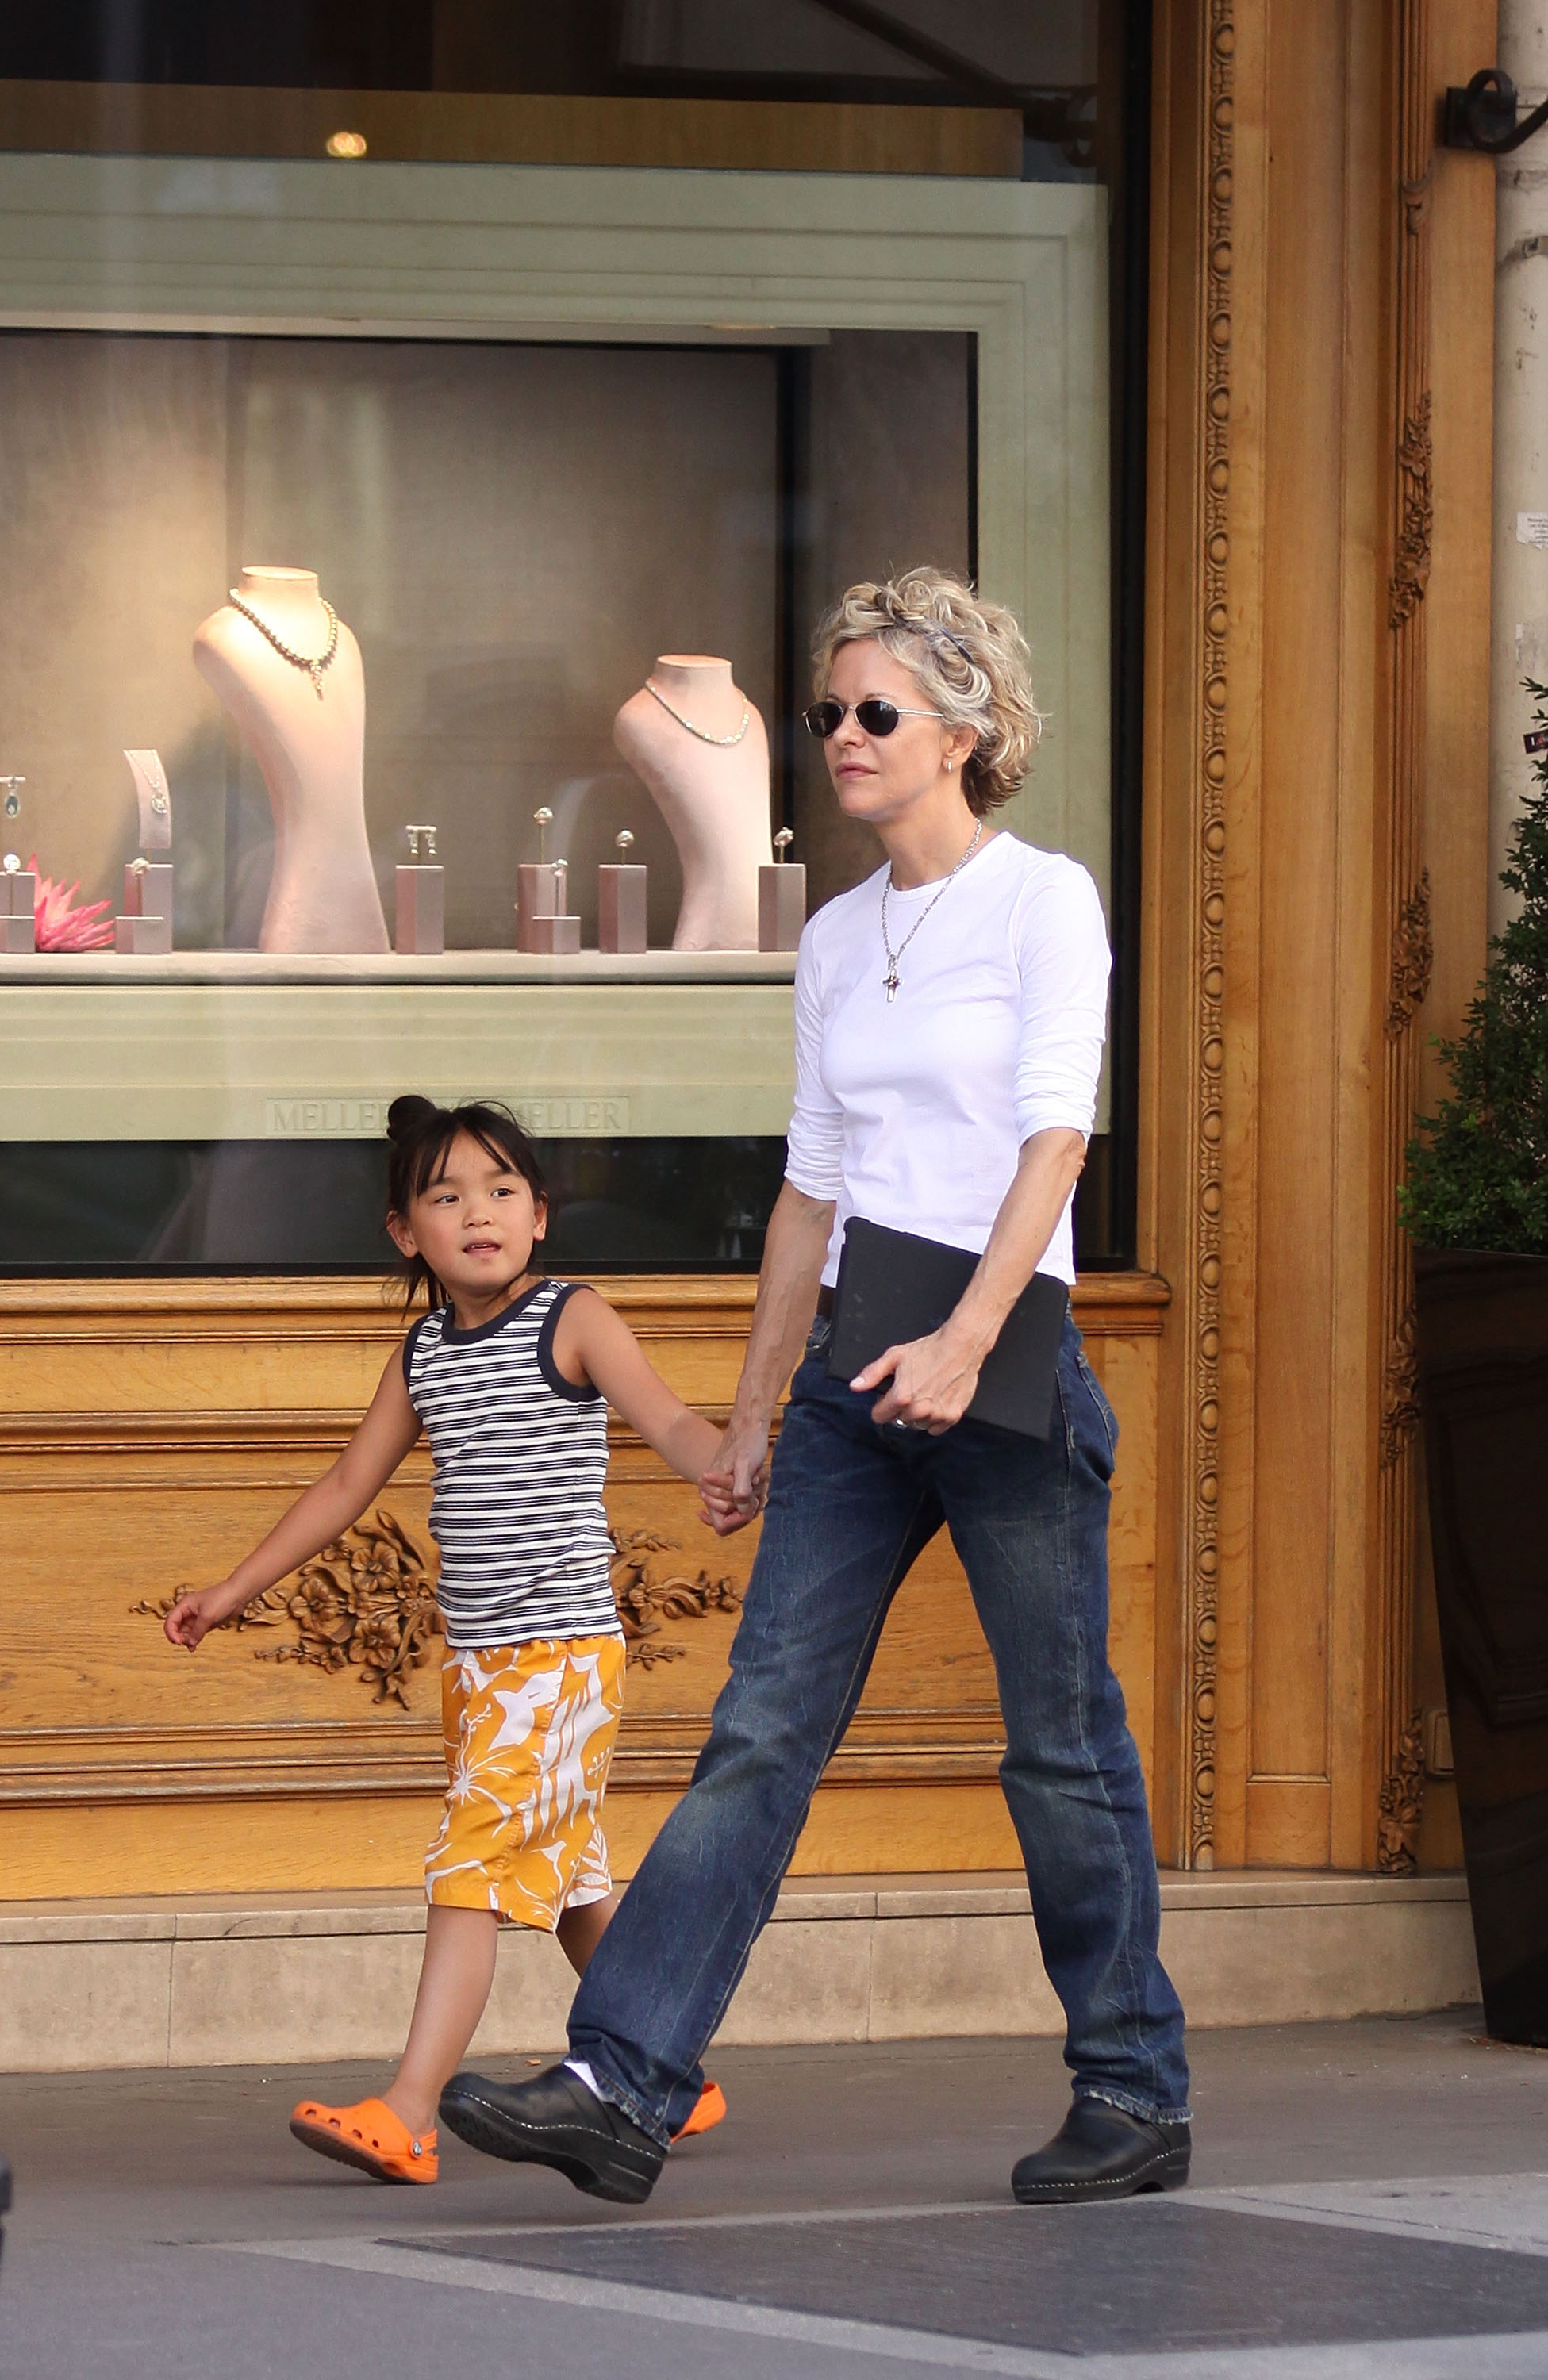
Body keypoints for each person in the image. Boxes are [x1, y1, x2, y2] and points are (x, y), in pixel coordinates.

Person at [436, 568, 1190, 2209]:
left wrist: (975, 1337)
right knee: (760, 1730)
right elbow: (811, 1187)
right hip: (858, 1378)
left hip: (1002, 1371)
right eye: (828, 712)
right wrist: (761, 1409)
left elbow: (1057, 1137)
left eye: (874, 713)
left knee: (1058, 1747)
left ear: (965, 729)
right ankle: (622, 2083)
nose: (839, 736)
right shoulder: (839, 935)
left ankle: (1132, 2089)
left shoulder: (1043, 902)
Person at [162, 1094, 736, 2183]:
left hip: (563, 1654)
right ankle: (672, 2070)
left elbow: (663, 1415)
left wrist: (724, 1463)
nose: (480, 1213)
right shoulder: (424, 1354)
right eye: (447, 1196)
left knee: (470, 1869)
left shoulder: (571, 1317)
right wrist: (235, 1588)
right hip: (479, 1668)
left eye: (503, 1190)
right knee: (567, 1883)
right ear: (404, 1232)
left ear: (540, 1214)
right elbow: (344, 1485)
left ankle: (410, 2109)